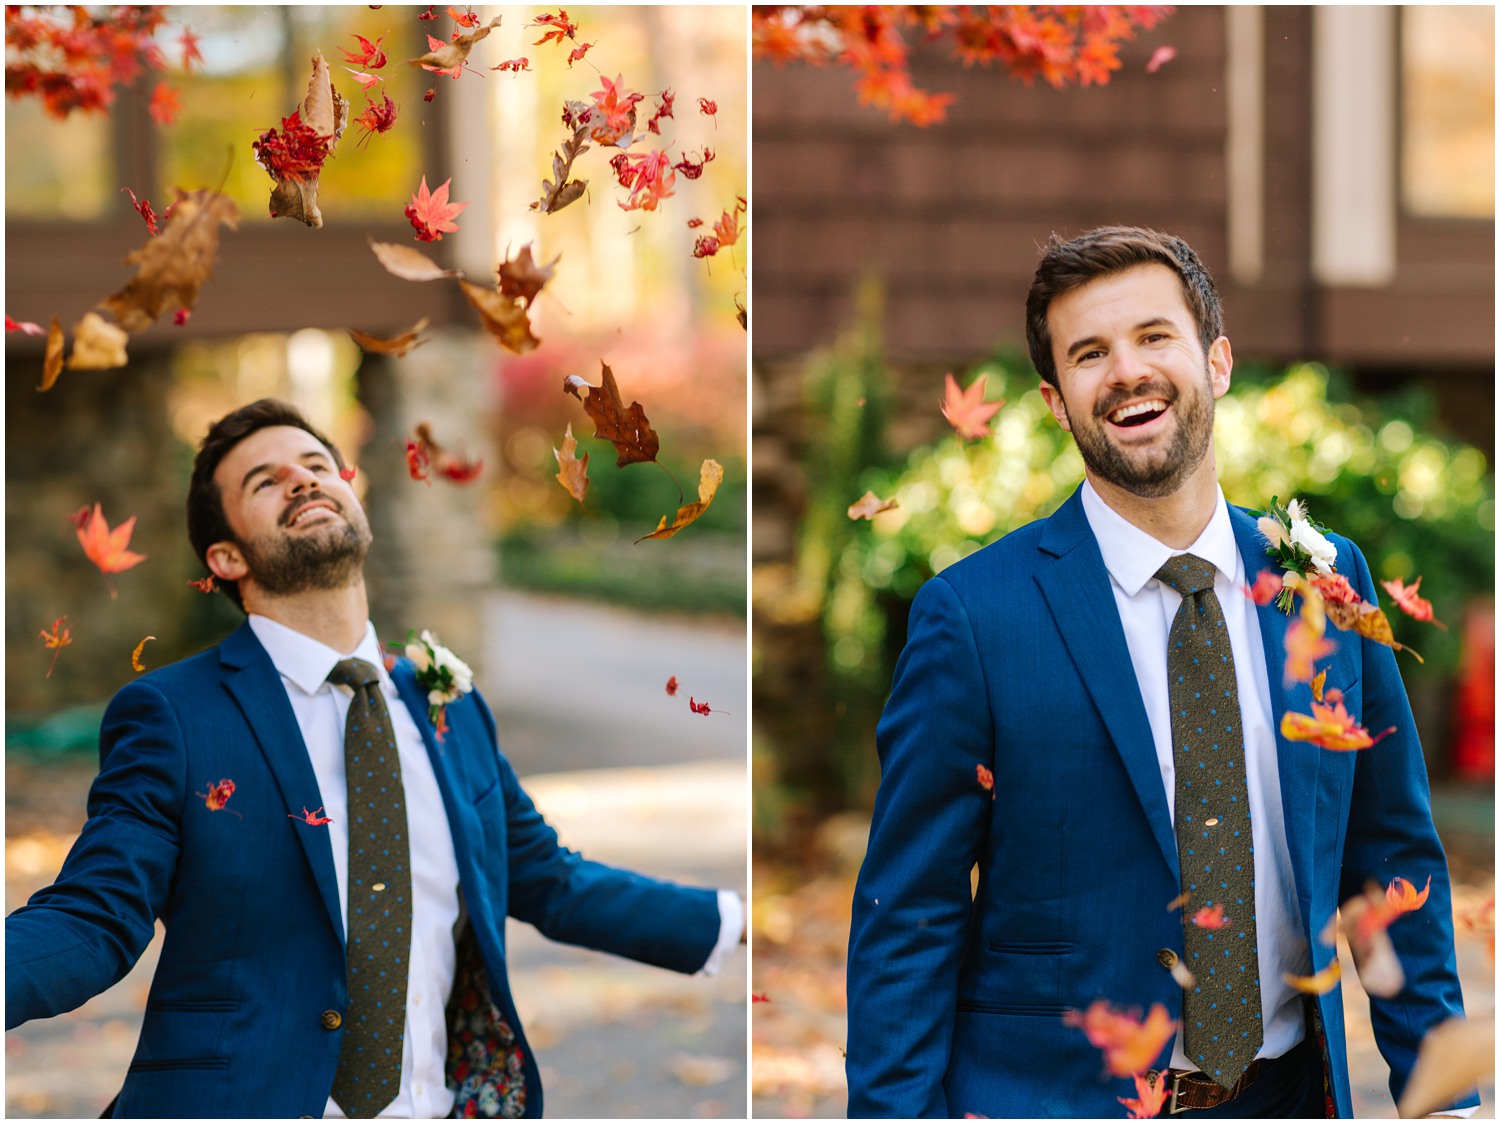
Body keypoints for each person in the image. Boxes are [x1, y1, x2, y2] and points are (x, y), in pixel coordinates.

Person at [844, 227, 1476, 1118]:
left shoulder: (1324, 582)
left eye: (1154, 337)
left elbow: (1392, 861)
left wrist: (1442, 1100)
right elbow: (908, 915)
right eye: (1089, 354)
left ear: (1216, 361)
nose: (1126, 372)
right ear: (1058, 402)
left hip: (1290, 1097)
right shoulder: (974, 619)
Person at [7, 399, 744, 1119]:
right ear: (225, 556)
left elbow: (545, 878)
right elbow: (94, 914)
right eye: (265, 482)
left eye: (317, 465)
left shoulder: (446, 702)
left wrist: (733, 921)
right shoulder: (176, 715)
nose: (302, 480)